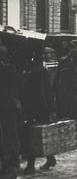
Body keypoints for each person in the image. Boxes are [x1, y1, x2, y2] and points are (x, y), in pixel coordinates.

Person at [21, 52, 56, 175]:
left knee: (33, 136)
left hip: (35, 109)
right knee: (43, 134)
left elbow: (41, 92)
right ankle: (50, 159)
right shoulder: (42, 72)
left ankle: (30, 165)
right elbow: (48, 92)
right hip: (42, 109)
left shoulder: (35, 73)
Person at [0, 45, 19, 179]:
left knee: (6, 136)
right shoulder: (9, 69)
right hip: (8, 105)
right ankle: (11, 163)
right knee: (10, 134)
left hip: (5, 105)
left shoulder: (6, 69)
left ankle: (8, 166)